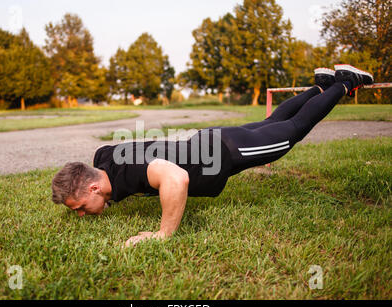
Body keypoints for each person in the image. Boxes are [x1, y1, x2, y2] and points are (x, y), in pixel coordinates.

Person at [51, 64, 373, 247]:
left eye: (79, 208)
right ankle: (320, 86)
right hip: (209, 140)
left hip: (224, 152)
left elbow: (177, 179)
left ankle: (345, 83)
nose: (82, 214)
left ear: (93, 188)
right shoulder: (103, 160)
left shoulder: (129, 174)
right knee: (272, 124)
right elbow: (106, 163)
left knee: (291, 132)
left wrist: (162, 234)